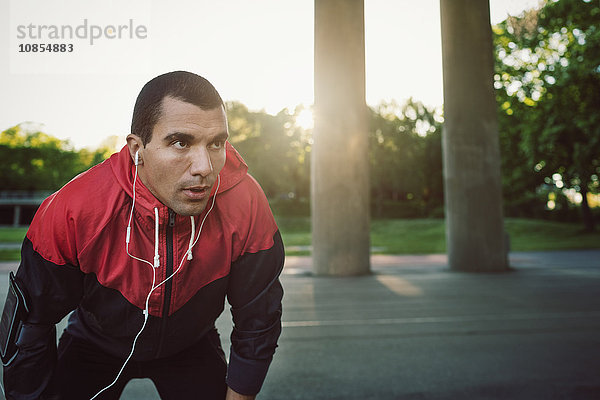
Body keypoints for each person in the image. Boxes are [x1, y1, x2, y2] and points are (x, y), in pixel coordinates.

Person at [1, 71, 284, 400]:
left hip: (191, 345)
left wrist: (242, 393)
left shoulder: (244, 201)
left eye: (216, 143)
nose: (205, 167)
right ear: (138, 149)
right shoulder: (74, 209)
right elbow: (28, 325)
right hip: (93, 344)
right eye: (181, 142)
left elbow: (258, 316)